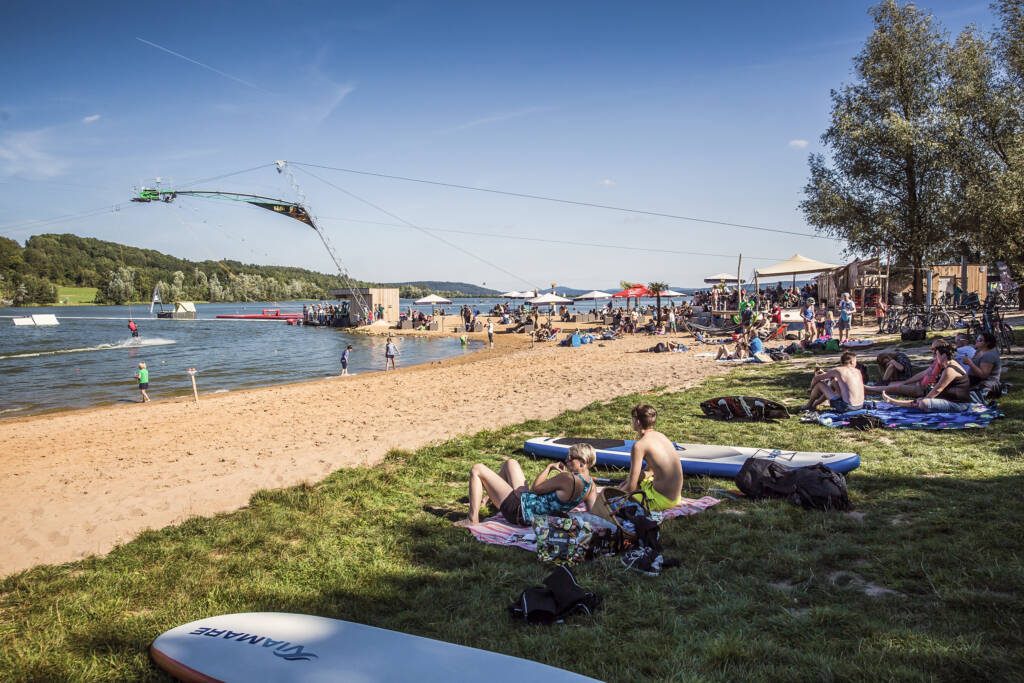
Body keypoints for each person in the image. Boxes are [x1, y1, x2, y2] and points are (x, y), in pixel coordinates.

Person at [458, 443, 598, 525]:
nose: (567, 461)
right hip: (530, 508)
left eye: (570, 458)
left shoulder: (567, 478)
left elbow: (536, 488)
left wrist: (548, 468)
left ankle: (472, 519)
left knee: (477, 469)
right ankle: (488, 498)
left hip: (518, 511)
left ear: (583, 462)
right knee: (510, 463)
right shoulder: (591, 486)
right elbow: (593, 511)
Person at [625, 405, 683, 511]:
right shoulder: (661, 436)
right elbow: (651, 470)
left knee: (618, 499)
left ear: (637, 422)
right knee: (633, 479)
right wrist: (636, 477)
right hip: (676, 497)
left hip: (661, 500)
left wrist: (615, 492)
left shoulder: (639, 445)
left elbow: (631, 487)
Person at [883, 344, 973, 412]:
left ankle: (894, 402)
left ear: (944, 356)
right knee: (923, 400)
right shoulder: (950, 365)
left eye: (936, 355)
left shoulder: (950, 370)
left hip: (961, 405)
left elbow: (938, 390)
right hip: (952, 400)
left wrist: (925, 399)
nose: (935, 357)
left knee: (924, 403)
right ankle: (895, 402)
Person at [867, 338, 946, 398]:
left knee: (896, 387)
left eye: (934, 349)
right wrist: (907, 382)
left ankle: (870, 389)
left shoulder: (945, 363)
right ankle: (871, 388)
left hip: (923, 389)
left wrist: (926, 397)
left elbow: (940, 384)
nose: (932, 351)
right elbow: (923, 373)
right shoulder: (936, 362)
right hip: (920, 384)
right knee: (893, 385)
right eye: (931, 349)